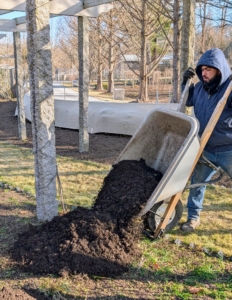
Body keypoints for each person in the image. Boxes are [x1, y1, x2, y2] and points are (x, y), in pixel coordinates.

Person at [181, 48, 232, 232]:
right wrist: (185, 83)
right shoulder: (200, 88)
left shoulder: (229, 88)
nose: (204, 73)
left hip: (228, 149)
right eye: (202, 69)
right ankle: (193, 218)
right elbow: (186, 101)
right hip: (205, 147)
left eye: (208, 69)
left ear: (219, 70)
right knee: (197, 183)